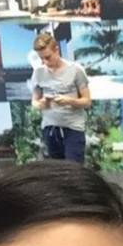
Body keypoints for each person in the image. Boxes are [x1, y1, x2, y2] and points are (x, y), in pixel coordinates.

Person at [30, 32, 92, 163]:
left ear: (56, 50)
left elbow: (87, 102)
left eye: (48, 57)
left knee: (74, 170)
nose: (45, 62)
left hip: (73, 129)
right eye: (41, 58)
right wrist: (41, 104)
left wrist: (70, 101)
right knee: (57, 171)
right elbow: (34, 101)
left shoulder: (76, 70)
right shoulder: (38, 72)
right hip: (50, 129)